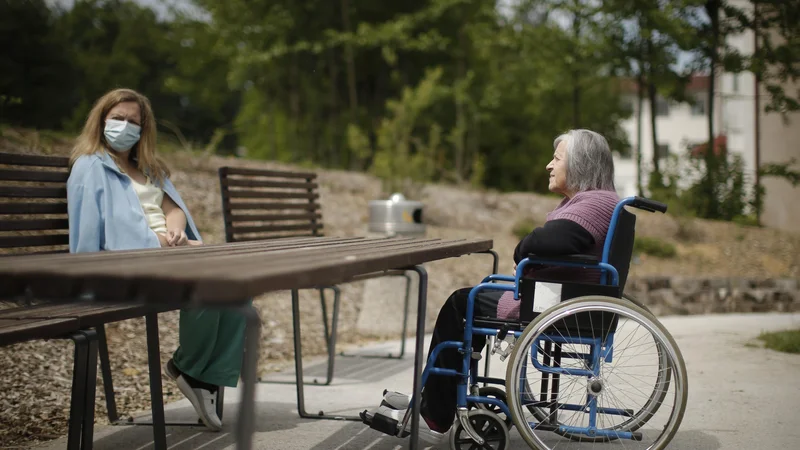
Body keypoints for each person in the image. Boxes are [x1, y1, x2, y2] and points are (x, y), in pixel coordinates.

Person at [366, 129, 621, 443]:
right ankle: (433, 399)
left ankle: (434, 413)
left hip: (552, 303)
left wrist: (523, 249)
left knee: (462, 303)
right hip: (557, 296)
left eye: (556, 158)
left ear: (580, 164)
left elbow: (552, 239)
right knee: (467, 299)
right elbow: (557, 241)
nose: (548, 165)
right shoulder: (598, 201)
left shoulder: (593, 203)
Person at [67, 88, 245, 431]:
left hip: (166, 253)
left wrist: (177, 232)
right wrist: (164, 243)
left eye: (133, 121)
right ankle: (191, 371)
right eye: (117, 118)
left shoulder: (149, 169)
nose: (124, 126)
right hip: (128, 261)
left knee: (237, 281)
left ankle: (200, 375)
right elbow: (96, 231)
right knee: (210, 282)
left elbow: (173, 208)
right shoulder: (90, 167)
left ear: (143, 129)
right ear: (101, 121)